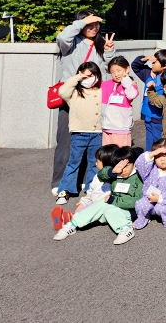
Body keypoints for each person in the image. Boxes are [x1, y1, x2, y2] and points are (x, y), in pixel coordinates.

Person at [52, 10, 115, 196]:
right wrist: (81, 23)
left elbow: (108, 70)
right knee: (65, 142)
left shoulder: (101, 44)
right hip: (72, 97)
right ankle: (60, 182)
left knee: (92, 144)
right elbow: (62, 37)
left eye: (96, 24)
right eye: (89, 23)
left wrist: (110, 52)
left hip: (94, 100)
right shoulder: (70, 43)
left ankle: (86, 182)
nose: (94, 27)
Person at [53, 146, 143, 245]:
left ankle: (125, 229)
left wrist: (114, 200)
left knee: (108, 207)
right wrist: (113, 171)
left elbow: (137, 201)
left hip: (129, 212)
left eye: (126, 166)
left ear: (134, 164)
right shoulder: (117, 175)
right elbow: (101, 175)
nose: (123, 170)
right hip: (112, 209)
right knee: (101, 203)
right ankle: (72, 224)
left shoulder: (138, 178)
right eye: (120, 166)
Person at [55, 62, 103, 205]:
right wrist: (78, 77)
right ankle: (65, 189)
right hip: (79, 133)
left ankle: (91, 188)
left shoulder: (101, 91)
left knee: (94, 163)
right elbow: (62, 91)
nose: (88, 78)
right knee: (73, 162)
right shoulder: (74, 93)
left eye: (91, 75)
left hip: (98, 133)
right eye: (84, 75)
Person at [52, 144, 118, 229]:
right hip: (93, 201)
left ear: (107, 163)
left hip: (103, 208)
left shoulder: (114, 180)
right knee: (83, 207)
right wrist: (83, 202)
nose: (95, 163)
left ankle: (71, 219)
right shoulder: (97, 177)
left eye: (98, 161)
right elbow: (91, 192)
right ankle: (69, 217)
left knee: (88, 211)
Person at [133, 49, 166, 152]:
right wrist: (144, 59)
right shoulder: (148, 74)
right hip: (148, 117)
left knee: (159, 144)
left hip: (160, 118)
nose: (152, 63)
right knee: (149, 143)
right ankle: (148, 163)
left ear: (164, 66)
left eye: (155, 62)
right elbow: (135, 66)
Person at [132, 139, 166, 229]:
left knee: (162, 208)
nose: (162, 159)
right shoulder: (150, 168)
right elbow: (139, 163)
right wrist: (152, 153)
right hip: (149, 198)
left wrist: (160, 198)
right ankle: (143, 219)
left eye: (165, 155)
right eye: (158, 156)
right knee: (140, 204)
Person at [98, 56, 138, 148]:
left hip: (121, 129)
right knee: (107, 156)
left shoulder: (130, 85)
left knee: (120, 156)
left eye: (119, 70)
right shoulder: (106, 84)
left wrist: (127, 81)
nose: (116, 74)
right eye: (112, 72)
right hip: (106, 127)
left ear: (127, 69)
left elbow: (131, 95)